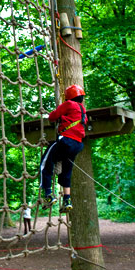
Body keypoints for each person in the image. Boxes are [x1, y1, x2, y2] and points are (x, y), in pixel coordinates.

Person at [40, 84, 87, 212]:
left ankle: (48, 194)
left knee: (46, 162)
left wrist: (59, 117)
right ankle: (67, 199)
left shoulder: (69, 104)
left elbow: (52, 116)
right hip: (77, 144)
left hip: (66, 140)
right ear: (81, 98)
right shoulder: (83, 110)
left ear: (69, 98)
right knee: (67, 170)